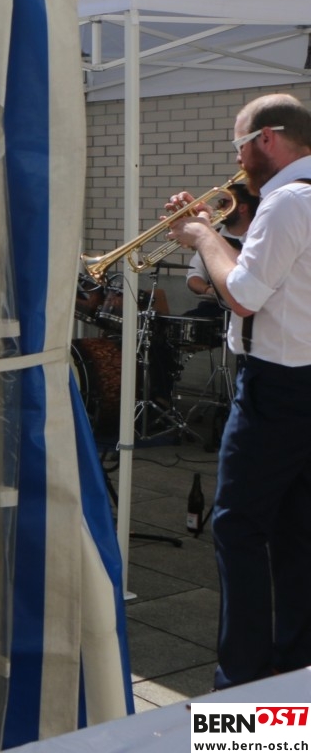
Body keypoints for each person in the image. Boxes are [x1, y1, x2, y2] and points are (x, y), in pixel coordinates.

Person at [167, 93, 311, 690]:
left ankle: (242, 681)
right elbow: (268, 273)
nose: (238, 159)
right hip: (302, 378)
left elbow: (245, 295)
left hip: (275, 385)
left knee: (237, 525)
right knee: (297, 527)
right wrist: (215, 231)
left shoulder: (287, 200)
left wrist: (203, 236)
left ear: (266, 139)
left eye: (240, 145)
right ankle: (295, 663)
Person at [185, 182, 259, 318]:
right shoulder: (212, 236)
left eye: (223, 202)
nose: (218, 206)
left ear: (242, 207)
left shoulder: (258, 239)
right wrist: (208, 290)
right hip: (215, 309)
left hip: (251, 312)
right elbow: (194, 277)